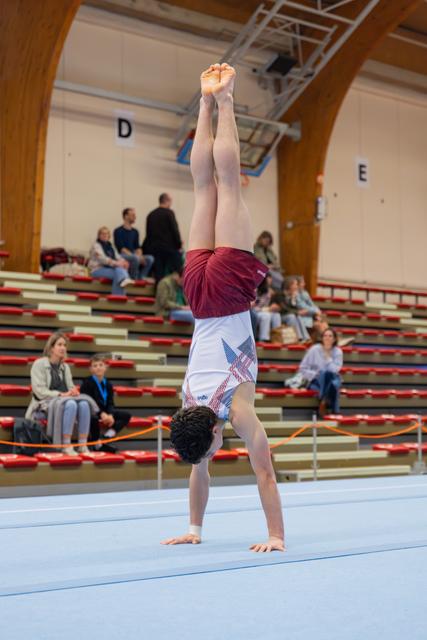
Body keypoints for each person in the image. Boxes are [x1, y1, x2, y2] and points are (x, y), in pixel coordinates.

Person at [162, 63, 284, 553]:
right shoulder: (188, 399)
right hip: (196, 294)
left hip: (229, 294)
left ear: (214, 430)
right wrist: (194, 529)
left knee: (228, 184)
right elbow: (198, 465)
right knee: (205, 189)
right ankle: (207, 102)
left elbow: (266, 473)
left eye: (213, 446)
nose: (214, 454)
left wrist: (275, 536)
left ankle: (227, 98)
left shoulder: (238, 408)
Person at [25, 333, 98, 455]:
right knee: (71, 404)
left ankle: (82, 445)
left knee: (84, 404)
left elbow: (70, 387)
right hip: (43, 404)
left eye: (65, 345)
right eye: (59, 344)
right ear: (51, 348)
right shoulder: (39, 364)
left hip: (64, 400)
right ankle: (66, 444)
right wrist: (61, 395)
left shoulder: (66, 367)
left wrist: (73, 391)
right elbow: (40, 392)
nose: (63, 348)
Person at [80, 354, 131, 453]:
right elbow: (88, 403)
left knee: (126, 415)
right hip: (93, 412)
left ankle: (106, 436)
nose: (98, 367)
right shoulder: (86, 383)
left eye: (100, 365)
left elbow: (111, 403)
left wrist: (110, 415)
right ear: (91, 369)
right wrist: (101, 414)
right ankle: (96, 444)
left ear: (105, 367)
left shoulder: (108, 384)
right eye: (95, 366)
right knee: (93, 418)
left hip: (106, 413)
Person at [298, 327, 343, 417]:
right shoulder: (314, 349)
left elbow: (334, 370)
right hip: (316, 380)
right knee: (329, 380)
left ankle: (323, 400)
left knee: (330, 376)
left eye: (330, 336)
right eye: (325, 335)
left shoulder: (338, 352)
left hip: (332, 378)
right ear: (322, 338)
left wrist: (328, 358)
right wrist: (316, 374)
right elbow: (302, 368)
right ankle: (335, 410)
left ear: (334, 339)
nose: (327, 338)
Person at [143, 193, 183, 282]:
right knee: (179, 272)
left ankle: (159, 294)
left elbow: (148, 234)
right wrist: (179, 245)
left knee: (159, 275)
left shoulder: (151, 215)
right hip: (169, 248)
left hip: (155, 250)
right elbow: (174, 230)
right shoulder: (169, 213)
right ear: (166, 201)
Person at [88, 226, 134, 295]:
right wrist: (117, 263)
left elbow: (117, 256)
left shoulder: (111, 245)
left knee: (119, 273)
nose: (105, 235)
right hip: (97, 269)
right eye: (102, 233)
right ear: (99, 235)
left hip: (109, 268)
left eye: (106, 234)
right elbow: (102, 259)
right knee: (119, 273)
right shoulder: (96, 245)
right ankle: (124, 283)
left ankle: (117, 296)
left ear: (109, 235)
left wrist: (124, 262)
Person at [113, 207, 154, 280]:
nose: (135, 217)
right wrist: (136, 256)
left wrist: (140, 255)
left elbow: (137, 247)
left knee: (150, 258)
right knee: (135, 258)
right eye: (132, 215)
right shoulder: (118, 231)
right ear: (126, 216)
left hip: (133, 255)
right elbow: (121, 249)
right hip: (122, 256)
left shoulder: (135, 231)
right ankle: (133, 278)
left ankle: (141, 277)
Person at [271, 276, 311, 342]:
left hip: (285, 314)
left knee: (297, 316)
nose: (296, 286)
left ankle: (305, 337)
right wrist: (297, 312)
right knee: (292, 316)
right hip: (278, 315)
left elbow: (294, 308)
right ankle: (297, 337)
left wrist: (293, 299)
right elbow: (284, 308)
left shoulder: (291, 295)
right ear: (289, 285)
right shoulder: (279, 294)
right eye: (295, 284)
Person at [252, 274, 282, 341]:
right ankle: (264, 338)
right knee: (266, 316)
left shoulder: (268, 291)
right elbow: (251, 306)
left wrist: (273, 307)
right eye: (269, 278)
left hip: (264, 310)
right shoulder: (255, 289)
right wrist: (266, 309)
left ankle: (277, 337)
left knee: (277, 315)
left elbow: (266, 305)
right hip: (255, 311)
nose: (270, 280)